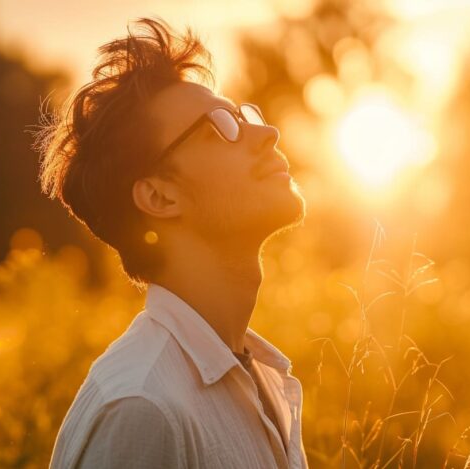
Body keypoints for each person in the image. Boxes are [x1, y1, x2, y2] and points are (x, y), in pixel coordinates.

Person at [35, 17, 308, 469]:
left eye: (245, 115)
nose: (267, 133)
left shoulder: (258, 374)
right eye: (222, 126)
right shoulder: (142, 408)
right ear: (160, 196)